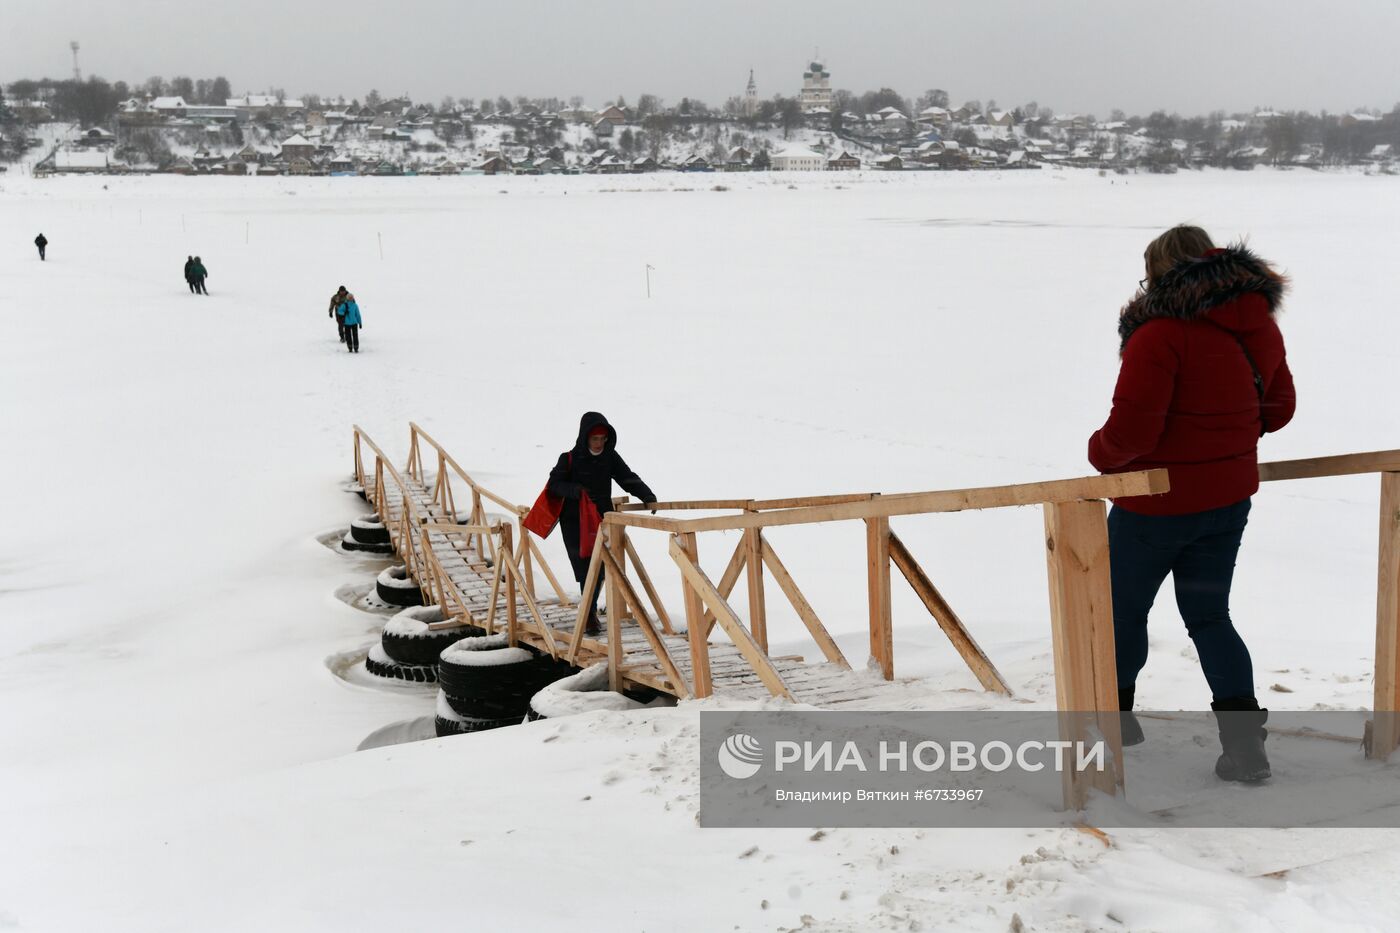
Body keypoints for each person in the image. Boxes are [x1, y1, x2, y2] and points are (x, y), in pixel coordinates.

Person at [1088, 225, 1295, 782]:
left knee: (1122, 611)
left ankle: (1115, 723)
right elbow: (1277, 412)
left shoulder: (1159, 335)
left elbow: (1131, 433)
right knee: (1209, 616)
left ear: (1160, 274)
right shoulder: (1257, 327)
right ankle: (1245, 748)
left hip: (1152, 509)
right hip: (1226, 505)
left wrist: (1098, 453)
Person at [547, 412, 657, 634]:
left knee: (601, 567)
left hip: (600, 518)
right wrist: (574, 490)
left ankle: (589, 610)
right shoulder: (568, 458)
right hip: (574, 521)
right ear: (585, 437)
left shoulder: (609, 457)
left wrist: (647, 495)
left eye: (602, 439)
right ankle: (589, 615)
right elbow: (554, 485)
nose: (598, 443)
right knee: (586, 566)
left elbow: (627, 477)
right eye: (594, 439)